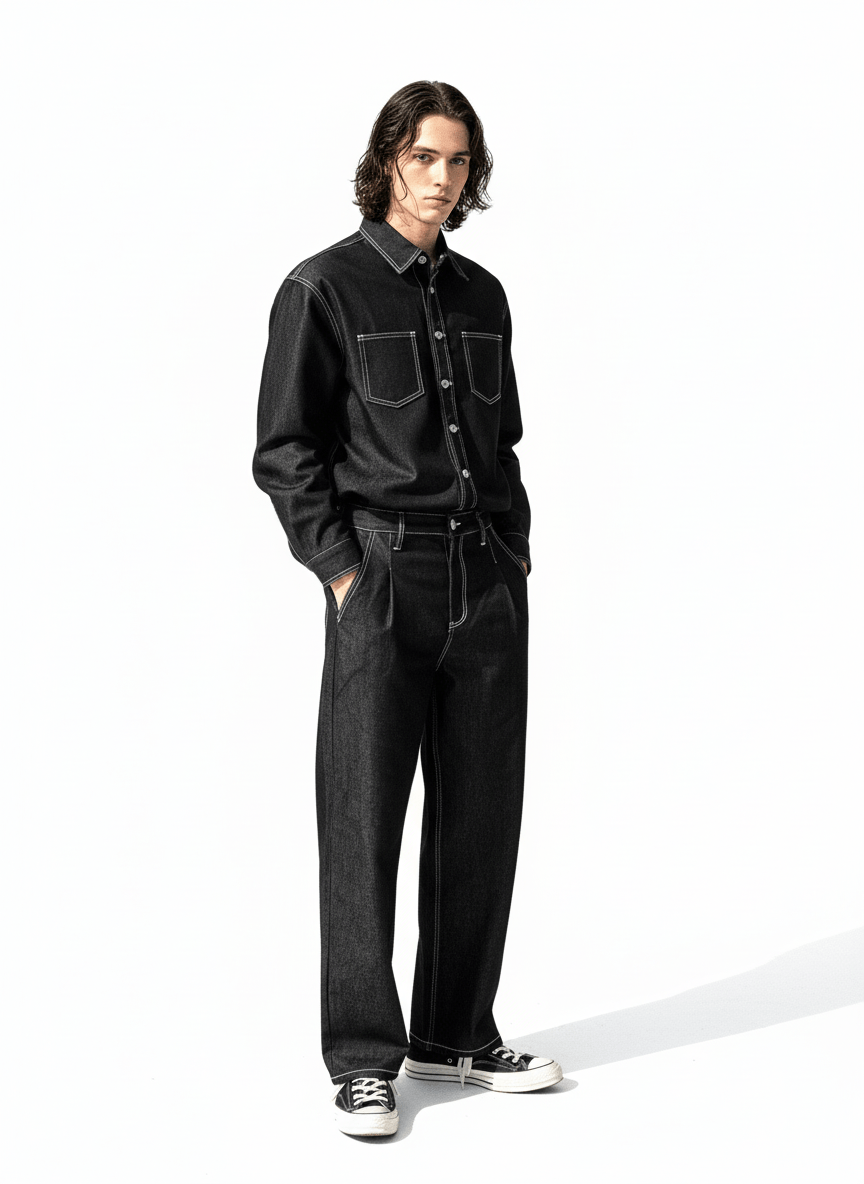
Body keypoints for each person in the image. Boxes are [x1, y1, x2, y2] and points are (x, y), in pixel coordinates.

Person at [253, 79, 562, 1138]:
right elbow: (285, 451)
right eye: (425, 156)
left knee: (482, 814)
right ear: (388, 158)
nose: (442, 178)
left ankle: (455, 1033)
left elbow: (502, 439)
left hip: (487, 578)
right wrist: (344, 572)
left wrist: (513, 552)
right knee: (362, 816)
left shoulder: (483, 296)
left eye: (459, 161)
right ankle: (361, 1058)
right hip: (382, 577)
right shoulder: (322, 288)